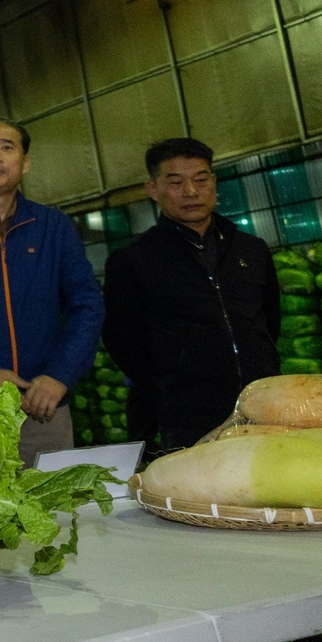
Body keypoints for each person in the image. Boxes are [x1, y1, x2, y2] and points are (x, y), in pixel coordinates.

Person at [102, 137, 280, 451]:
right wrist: (171, 381)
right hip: (186, 415)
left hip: (263, 405)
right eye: (175, 182)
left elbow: (269, 320)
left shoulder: (251, 249)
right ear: (152, 189)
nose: (191, 192)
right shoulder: (134, 260)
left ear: (213, 182)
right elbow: (122, 340)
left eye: (201, 179)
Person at [0, 118, 104, 466]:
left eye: (7, 147)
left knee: (54, 512)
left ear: (26, 162)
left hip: (43, 407)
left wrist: (59, 376)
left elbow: (88, 305)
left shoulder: (53, 226)